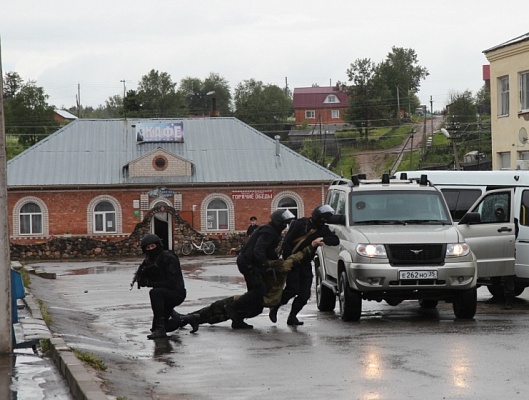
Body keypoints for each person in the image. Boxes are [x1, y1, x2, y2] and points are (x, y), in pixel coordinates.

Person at [186, 241, 321, 327]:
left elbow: (253, 252)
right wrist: (312, 245)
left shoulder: (267, 265)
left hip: (254, 299)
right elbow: (298, 256)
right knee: (222, 314)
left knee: (217, 308)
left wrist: (241, 252)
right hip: (264, 302)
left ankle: (187, 319)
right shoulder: (282, 265)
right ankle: (190, 319)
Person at [269, 205, 340, 326]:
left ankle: (292, 316)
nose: (325, 221)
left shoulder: (322, 229)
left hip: (306, 263)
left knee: (305, 293)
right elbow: (287, 243)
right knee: (292, 289)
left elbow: (335, 240)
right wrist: (289, 261)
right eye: (324, 218)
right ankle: (275, 306)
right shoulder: (300, 224)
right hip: (293, 262)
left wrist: (321, 239)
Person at [225, 209, 296, 329]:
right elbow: (259, 250)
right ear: (279, 222)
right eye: (284, 224)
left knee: (256, 298)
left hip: (249, 262)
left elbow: (267, 251)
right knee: (259, 290)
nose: (285, 226)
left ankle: (237, 319)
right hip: (248, 263)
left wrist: (277, 262)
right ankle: (233, 306)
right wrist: (266, 266)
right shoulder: (268, 232)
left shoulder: (270, 230)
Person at [132, 234, 199, 339]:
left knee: (155, 293)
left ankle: (161, 330)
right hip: (163, 295)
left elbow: (172, 282)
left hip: (176, 293)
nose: (150, 249)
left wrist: (150, 283)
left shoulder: (169, 258)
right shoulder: (149, 261)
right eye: (148, 248)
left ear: (158, 245)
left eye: (152, 246)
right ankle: (187, 319)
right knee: (157, 328)